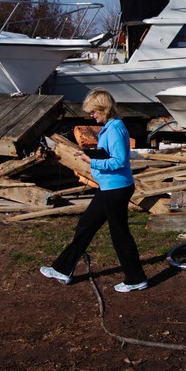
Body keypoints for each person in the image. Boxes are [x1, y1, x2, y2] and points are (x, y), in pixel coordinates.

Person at [40, 89, 148, 293]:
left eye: (93, 111)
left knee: (119, 234)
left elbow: (119, 161)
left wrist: (92, 160)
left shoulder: (115, 129)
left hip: (115, 188)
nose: (91, 115)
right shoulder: (111, 126)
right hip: (110, 187)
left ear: (103, 108)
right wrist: (93, 155)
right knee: (86, 226)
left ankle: (136, 278)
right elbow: (109, 154)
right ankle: (62, 268)